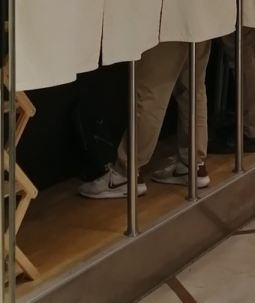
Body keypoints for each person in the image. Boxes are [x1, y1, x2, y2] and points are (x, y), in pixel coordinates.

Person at [79, 41, 210, 198]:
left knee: (151, 90)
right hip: (203, 25)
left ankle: (126, 173)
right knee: (192, 85)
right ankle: (192, 164)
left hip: (170, 26)